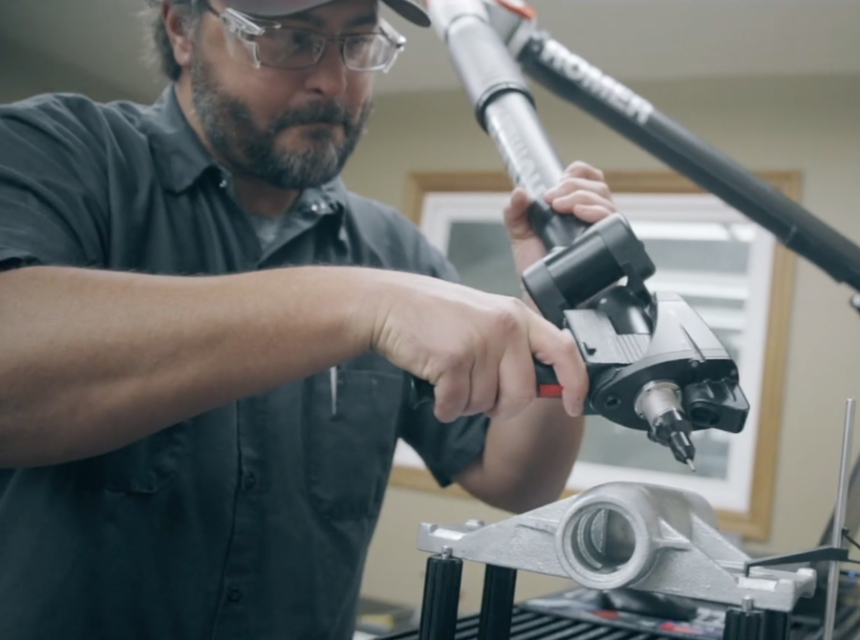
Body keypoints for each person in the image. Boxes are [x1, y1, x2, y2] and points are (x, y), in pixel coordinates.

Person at [0, 0, 619, 638]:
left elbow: (518, 480)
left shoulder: (396, 252)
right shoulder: (61, 151)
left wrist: (559, 303)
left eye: (358, 43)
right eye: (291, 39)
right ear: (183, 29)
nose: (334, 81)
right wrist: (363, 306)